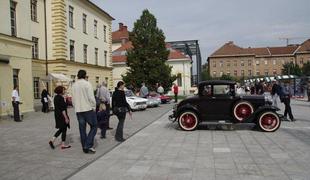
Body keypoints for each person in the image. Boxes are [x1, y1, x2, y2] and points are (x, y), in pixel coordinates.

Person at [72, 70, 97, 154]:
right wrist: (94, 106)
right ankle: (88, 144)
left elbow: (73, 99)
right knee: (94, 126)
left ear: (78, 76)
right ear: (85, 75)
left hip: (79, 110)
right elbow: (91, 97)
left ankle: (84, 147)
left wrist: (76, 107)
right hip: (88, 109)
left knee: (82, 129)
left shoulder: (74, 85)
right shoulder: (87, 84)